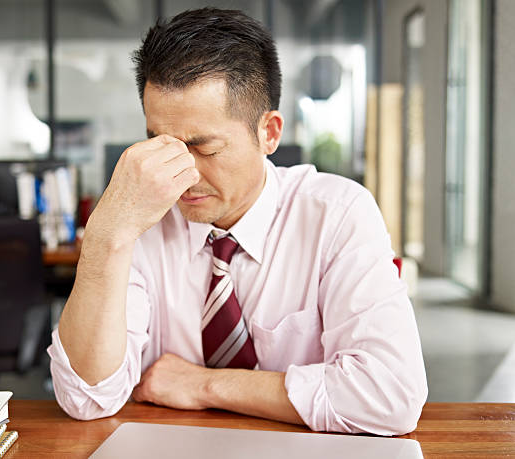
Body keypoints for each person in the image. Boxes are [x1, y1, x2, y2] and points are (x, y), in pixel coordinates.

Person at [48, 7, 427, 435]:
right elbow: (87, 398)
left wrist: (204, 385)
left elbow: (389, 396)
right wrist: (106, 234)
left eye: (204, 148)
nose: (181, 174)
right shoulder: (139, 218)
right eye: (162, 145)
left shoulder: (337, 215)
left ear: (269, 133)